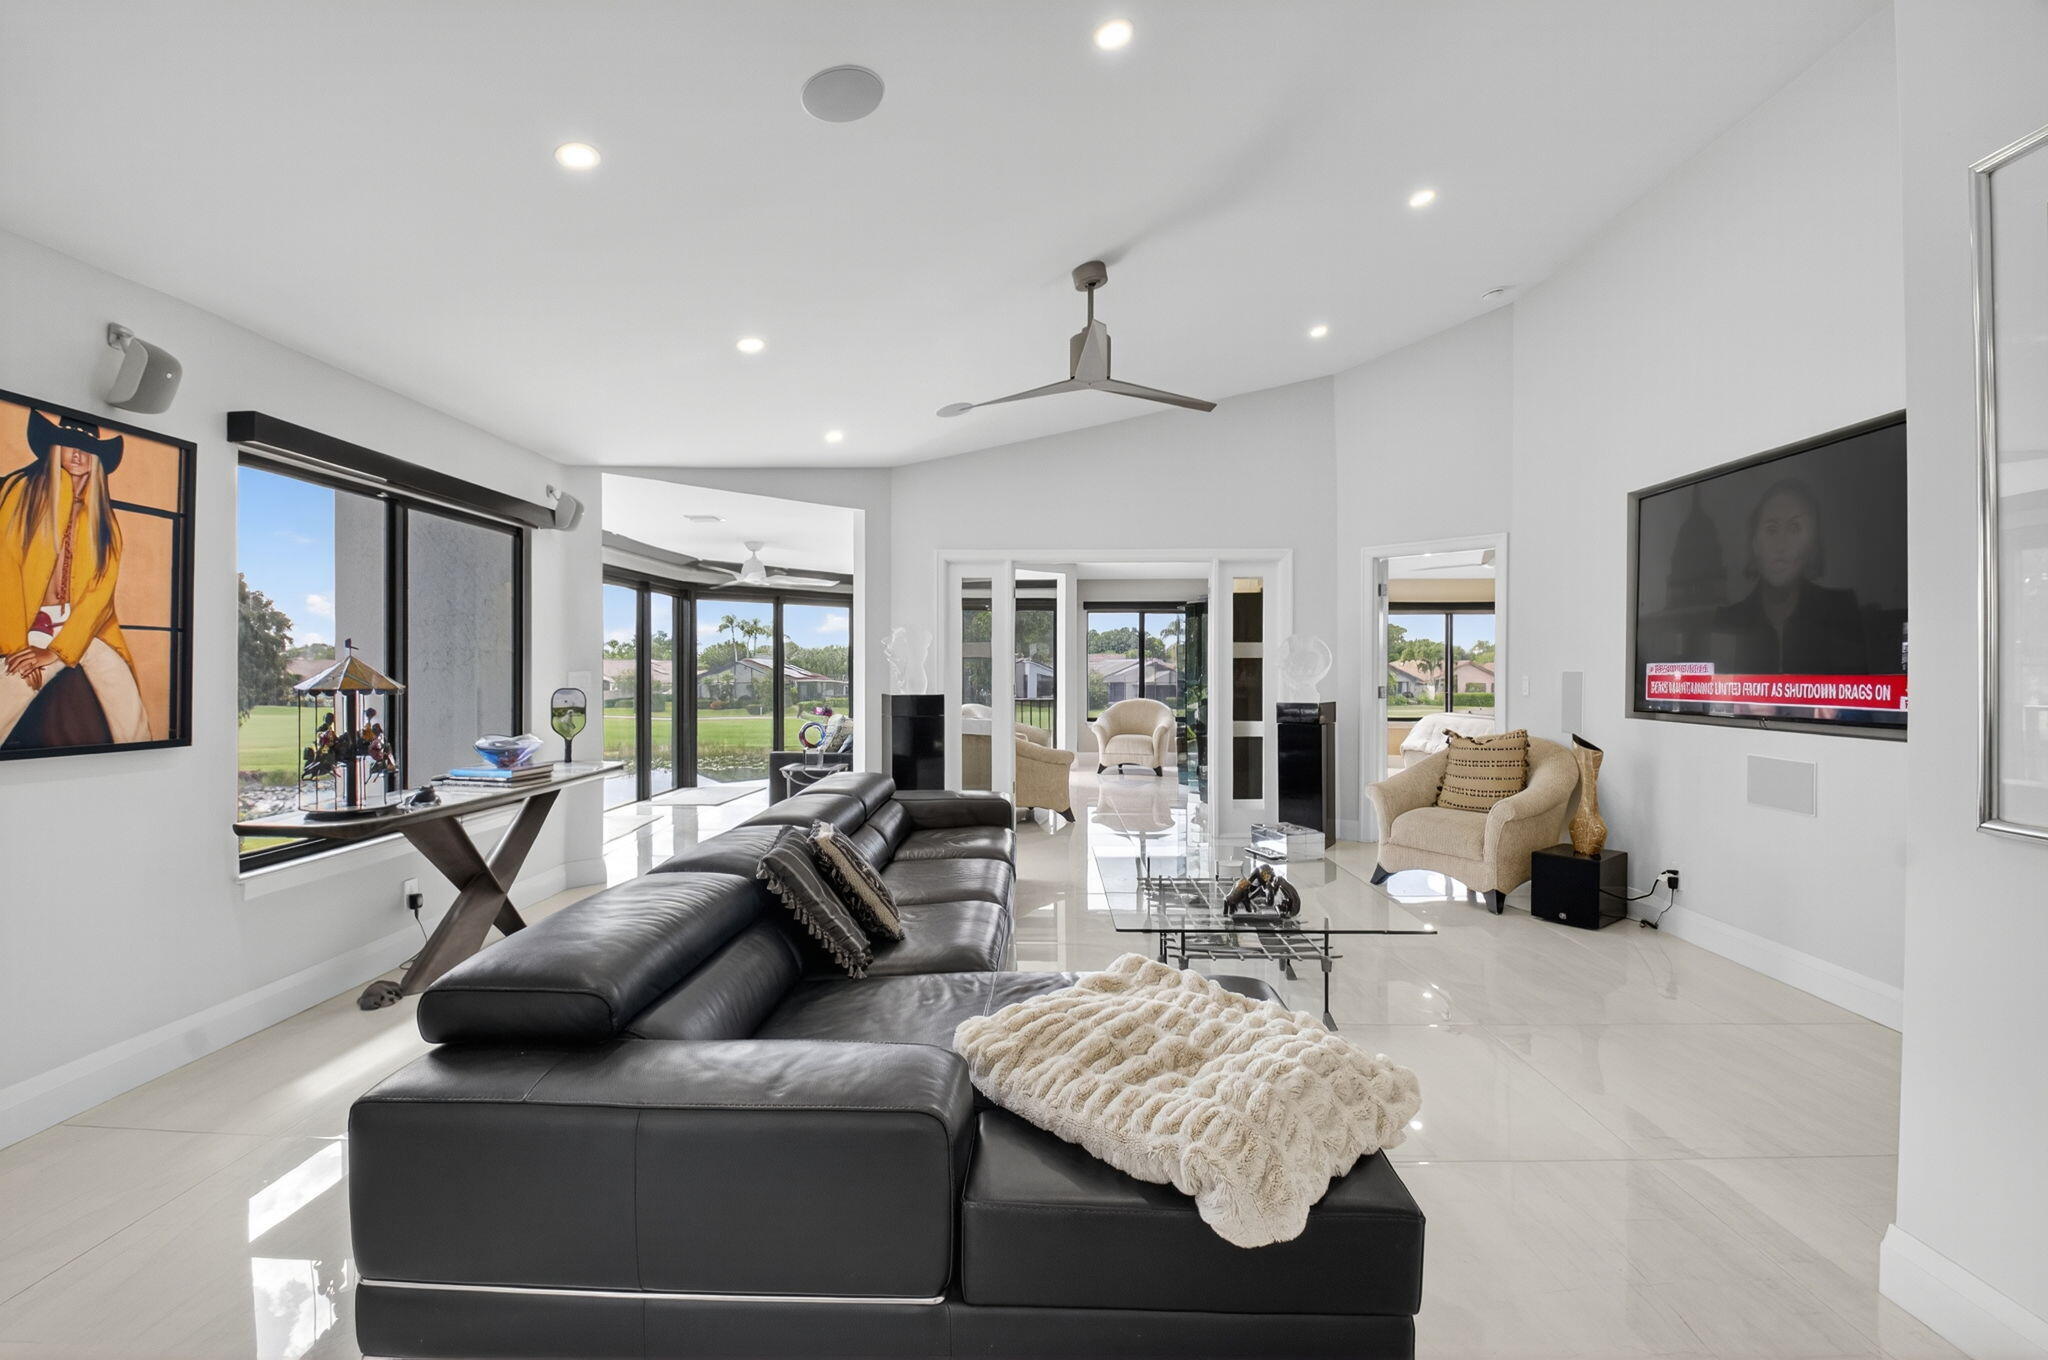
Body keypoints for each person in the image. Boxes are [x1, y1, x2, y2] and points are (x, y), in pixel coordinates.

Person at [0, 409, 151, 745]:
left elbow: (100, 594)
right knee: (12, 685)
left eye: (86, 449)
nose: (79, 455)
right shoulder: (19, 492)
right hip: (26, 622)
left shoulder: (104, 520)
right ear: (54, 447)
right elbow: (5, 569)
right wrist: (16, 646)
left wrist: (58, 651)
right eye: (69, 445)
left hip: (85, 630)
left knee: (126, 704)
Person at [1711, 476, 1869, 676]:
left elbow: (1853, 699)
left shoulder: (1840, 612)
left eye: (1794, 528)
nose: (1781, 545)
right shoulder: (1728, 621)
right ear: (1755, 544)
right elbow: (1719, 701)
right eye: (1771, 529)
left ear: (1812, 544)